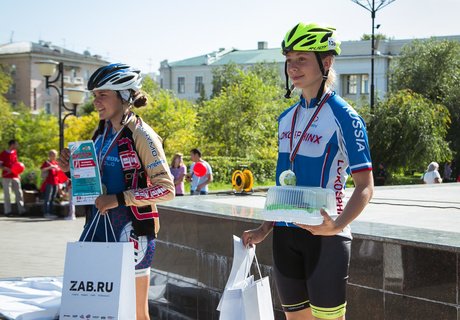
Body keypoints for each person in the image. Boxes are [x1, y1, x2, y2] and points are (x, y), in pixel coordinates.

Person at [242, 23, 374, 320]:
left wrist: (337, 225)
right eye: (289, 60)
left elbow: (365, 186)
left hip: (326, 237)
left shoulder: (346, 117)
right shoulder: (285, 119)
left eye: (302, 59)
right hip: (285, 238)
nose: (293, 67)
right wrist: (265, 227)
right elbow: (282, 181)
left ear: (326, 62)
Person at [58, 63, 175, 320]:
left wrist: (119, 199)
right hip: (96, 228)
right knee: (98, 310)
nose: (95, 102)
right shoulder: (101, 132)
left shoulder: (142, 134)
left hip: (132, 233)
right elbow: (97, 184)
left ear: (123, 96)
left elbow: (166, 189)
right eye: (94, 96)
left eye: (103, 95)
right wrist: (70, 170)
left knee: (136, 314)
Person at [0, 139, 25, 216]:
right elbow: (0, 165)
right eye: (16, 144)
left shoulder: (14, 153)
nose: (17, 146)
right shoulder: (3, 154)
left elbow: (16, 164)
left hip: (15, 176)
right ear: (12, 145)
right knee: (7, 194)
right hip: (6, 177)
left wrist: (18, 174)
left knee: (19, 193)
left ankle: (21, 210)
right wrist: (7, 169)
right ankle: (8, 211)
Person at [40, 149, 61, 218]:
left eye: (55, 155)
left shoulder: (56, 163)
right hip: (49, 182)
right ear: (50, 155)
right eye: (53, 155)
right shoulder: (47, 162)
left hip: (55, 182)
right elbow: (42, 169)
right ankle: (46, 213)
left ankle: (51, 212)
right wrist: (50, 167)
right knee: (47, 198)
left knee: (53, 198)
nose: (55, 156)